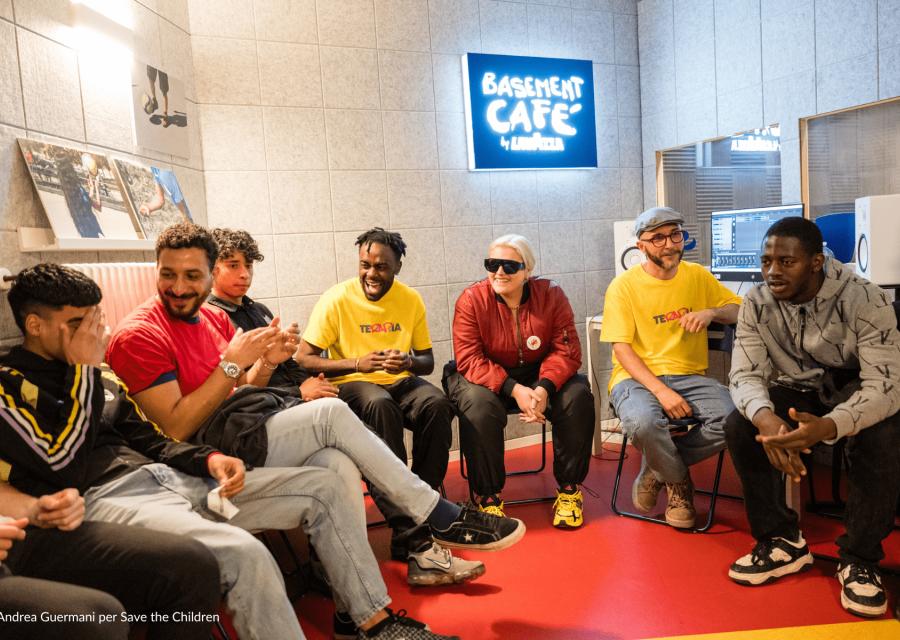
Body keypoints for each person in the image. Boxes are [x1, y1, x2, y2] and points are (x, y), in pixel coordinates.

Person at [3, 263, 493, 640]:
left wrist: (208, 462)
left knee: (326, 479)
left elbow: (151, 439)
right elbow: (57, 459)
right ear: (36, 325)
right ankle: (434, 514)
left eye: (94, 319)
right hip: (110, 502)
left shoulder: (107, 370)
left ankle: (372, 619)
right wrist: (86, 370)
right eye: (77, 323)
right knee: (245, 550)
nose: (94, 332)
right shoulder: (12, 386)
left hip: (173, 478)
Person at [104, 224, 524, 596]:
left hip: (258, 415)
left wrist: (269, 360)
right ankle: (433, 516)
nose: (180, 286)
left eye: (192, 275)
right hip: (221, 445)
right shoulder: (143, 333)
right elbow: (178, 428)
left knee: (343, 458)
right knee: (343, 412)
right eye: (169, 274)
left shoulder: (216, 318)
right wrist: (248, 364)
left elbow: (247, 387)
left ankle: (366, 600)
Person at [725, 217, 900, 618]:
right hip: (801, 389)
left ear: (816, 262)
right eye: (767, 260)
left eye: (786, 262)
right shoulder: (755, 301)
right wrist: (767, 421)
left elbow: (886, 386)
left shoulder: (865, 299)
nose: (772, 271)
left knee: (883, 433)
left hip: (857, 389)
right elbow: (745, 374)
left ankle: (860, 559)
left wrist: (829, 426)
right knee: (740, 423)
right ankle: (782, 541)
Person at [295, 228, 459, 565]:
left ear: (397, 266)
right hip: (353, 383)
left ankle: (420, 508)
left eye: (381, 266)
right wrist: (358, 363)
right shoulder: (336, 299)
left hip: (399, 380)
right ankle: (407, 527)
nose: (371, 273)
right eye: (364, 265)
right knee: (381, 407)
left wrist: (409, 361)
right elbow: (303, 359)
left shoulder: (410, 299)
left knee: (438, 404)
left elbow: (426, 361)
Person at [600, 206, 741, 528]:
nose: (669, 244)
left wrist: (710, 313)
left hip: (689, 376)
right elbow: (621, 349)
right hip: (634, 379)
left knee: (736, 418)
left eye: (675, 235)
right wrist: (661, 391)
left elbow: (737, 309)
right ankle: (679, 484)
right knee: (644, 423)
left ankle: (656, 469)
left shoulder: (697, 276)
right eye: (658, 238)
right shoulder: (623, 287)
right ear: (641, 246)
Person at [445, 234, 594, 528]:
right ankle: (487, 499)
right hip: (482, 376)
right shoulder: (471, 300)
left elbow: (566, 350)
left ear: (527, 270)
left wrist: (543, 387)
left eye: (509, 266)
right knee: (478, 408)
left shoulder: (551, 295)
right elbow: (469, 359)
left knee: (578, 396)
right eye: (492, 264)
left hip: (539, 374)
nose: (499, 272)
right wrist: (514, 390)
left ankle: (569, 491)